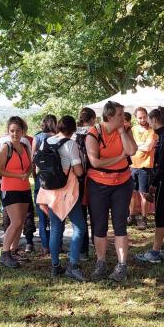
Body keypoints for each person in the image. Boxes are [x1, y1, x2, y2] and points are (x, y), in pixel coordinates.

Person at [85, 101, 137, 282]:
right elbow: (95, 162)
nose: (124, 117)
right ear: (109, 117)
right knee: (99, 225)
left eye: (124, 114)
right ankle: (101, 262)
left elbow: (131, 151)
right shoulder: (94, 133)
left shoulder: (125, 129)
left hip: (122, 183)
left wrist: (122, 131)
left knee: (120, 224)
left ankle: (122, 265)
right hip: (98, 184)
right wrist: (119, 158)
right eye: (120, 115)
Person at [36, 115, 87, 281]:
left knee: (56, 228)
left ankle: (55, 266)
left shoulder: (46, 141)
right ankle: (73, 265)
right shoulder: (70, 144)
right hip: (67, 191)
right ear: (73, 129)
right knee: (79, 227)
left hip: (50, 191)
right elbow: (79, 171)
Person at [136, 108, 164, 264]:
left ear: (154, 120)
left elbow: (162, 164)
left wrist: (153, 184)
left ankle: (155, 252)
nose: (148, 123)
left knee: (160, 215)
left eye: (149, 120)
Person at [0, 116, 34, 268]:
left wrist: (28, 172)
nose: (15, 134)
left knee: (21, 222)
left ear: (23, 131)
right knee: (16, 221)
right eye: (12, 131)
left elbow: (31, 164)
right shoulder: (6, 147)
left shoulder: (25, 147)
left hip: (24, 188)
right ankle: (4, 254)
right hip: (10, 188)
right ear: (8, 131)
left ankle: (14, 250)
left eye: (18, 131)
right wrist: (18, 175)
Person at [32, 115, 58, 253]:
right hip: (57, 179)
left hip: (41, 178)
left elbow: (32, 159)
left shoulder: (38, 137)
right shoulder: (58, 137)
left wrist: (34, 175)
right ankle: (57, 242)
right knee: (56, 211)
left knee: (42, 211)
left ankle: (45, 245)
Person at [129, 107, 157, 231]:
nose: (142, 119)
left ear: (147, 116)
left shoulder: (152, 130)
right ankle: (131, 216)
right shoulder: (132, 129)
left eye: (144, 116)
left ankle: (144, 218)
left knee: (143, 194)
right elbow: (129, 145)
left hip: (145, 166)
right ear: (136, 118)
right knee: (131, 193)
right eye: (140, 117)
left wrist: (136, 145)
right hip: (132, 165)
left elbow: (148, 147)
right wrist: (140, 145)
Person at [74, 107, 97, 260]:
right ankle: (97, 245)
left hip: (77, 178)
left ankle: (82, 250)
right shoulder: (95, 132)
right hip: (95, 176)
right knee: (96, 213)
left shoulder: (73, 134)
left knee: (80, 215)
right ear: (93, 118)